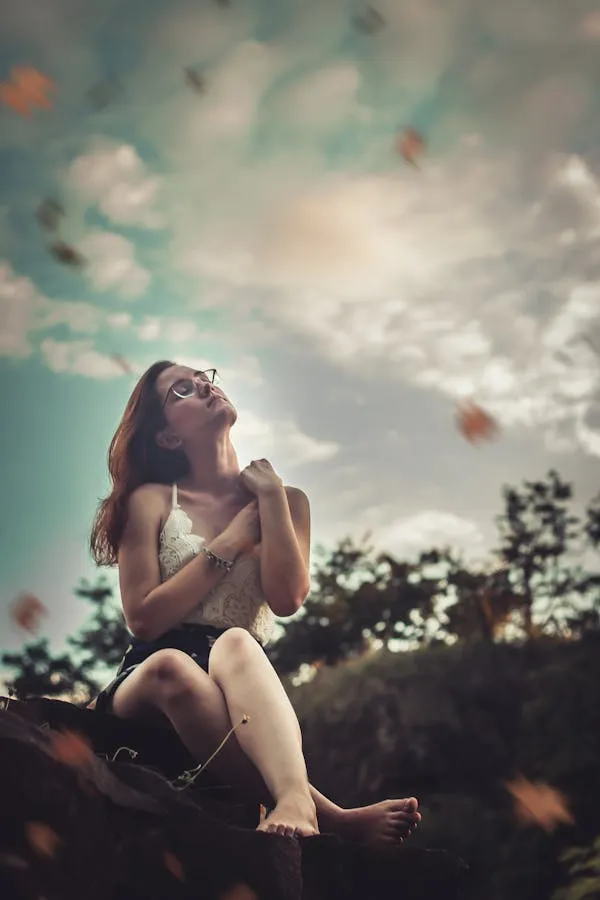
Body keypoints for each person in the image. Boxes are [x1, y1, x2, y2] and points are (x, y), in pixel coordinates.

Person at [89, 360, 421, 846]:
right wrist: (232, 540)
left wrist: (269, 499)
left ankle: (295, 801)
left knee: (239, 643)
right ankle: (332, 816)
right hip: (147, 672)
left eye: (205, 377)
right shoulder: (152, 500)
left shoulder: (287, 501)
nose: (204, 385)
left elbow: (288, 598)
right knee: (172, 667)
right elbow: (144, 618)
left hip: (237, 670)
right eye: (181, 390)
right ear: (166, 438)